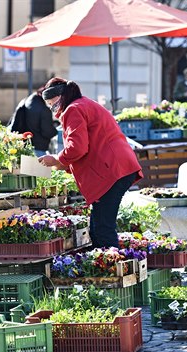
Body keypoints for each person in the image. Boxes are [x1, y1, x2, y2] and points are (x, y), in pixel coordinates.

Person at [38, 78, 143, 249]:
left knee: (102, 229)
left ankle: (113, 268)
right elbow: (85, 146)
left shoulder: (73, 109)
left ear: (61, 97)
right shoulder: (82, 104)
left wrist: (56, 159)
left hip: (111, 171)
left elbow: (77, 148)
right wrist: (62, 164)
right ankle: (108, 265)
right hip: (116, 168)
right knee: (97, 228)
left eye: (53, 104)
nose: (52, 109)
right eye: (49, 105)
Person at [8, 89, 58, 156]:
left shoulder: (26, 101)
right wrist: (56, 130)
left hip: (24, 146)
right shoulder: (44, 110)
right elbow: (47, 132)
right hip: (39, 148)